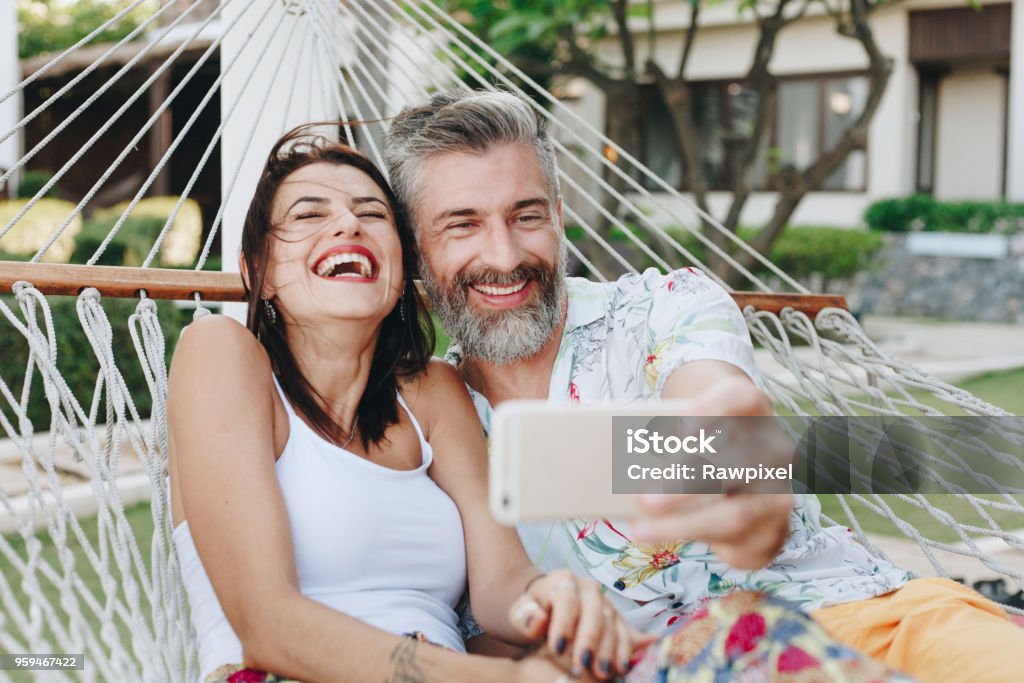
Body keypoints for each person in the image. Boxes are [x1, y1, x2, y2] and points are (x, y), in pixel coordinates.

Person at [382, 89, 1024, 682]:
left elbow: (719, 414)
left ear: (556, 216)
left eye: (525, 216)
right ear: (416, 250)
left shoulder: (665, 309)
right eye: (461, 224)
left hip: (856, 616)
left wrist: (743, 474)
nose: (503, 255)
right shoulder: (429, 422)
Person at [167, 127, 650, 683]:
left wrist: (551, 597)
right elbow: (267, 624)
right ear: (259, 271)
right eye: (308, 215)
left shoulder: (434, 394)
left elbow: (500, 585)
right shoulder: (220, 354)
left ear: (401, 271)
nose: (348, 224)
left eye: (372, 214)